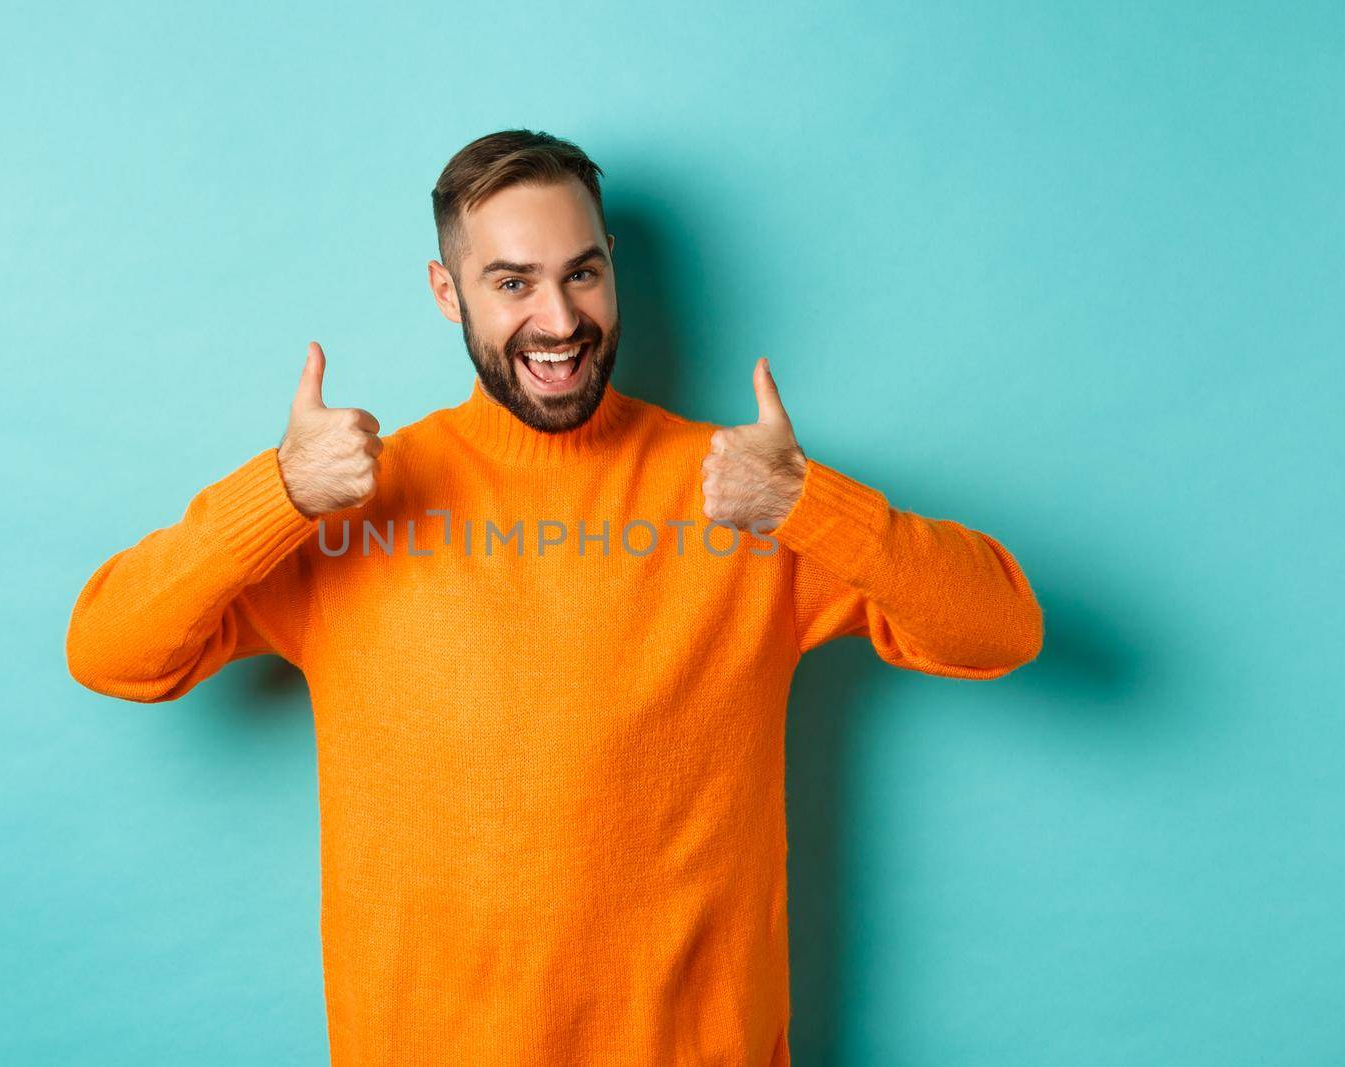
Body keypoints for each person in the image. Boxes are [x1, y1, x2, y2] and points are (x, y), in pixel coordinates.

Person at [65, 128, 1043, 1065]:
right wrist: (274, 493)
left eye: (582, 271)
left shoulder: (740, 492)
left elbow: (1000, 626)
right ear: (448, 292)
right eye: (511, 281)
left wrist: (808, 503)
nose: (560, 319)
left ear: (612, 267)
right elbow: (110, 650)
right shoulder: (355, 503)